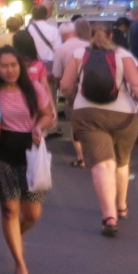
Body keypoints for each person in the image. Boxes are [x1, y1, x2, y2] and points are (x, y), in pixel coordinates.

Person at [60, 24, 138, 237]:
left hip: (88, 114)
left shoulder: (78, 54)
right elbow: (137, 85)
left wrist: (72, 98)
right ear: (112, 36)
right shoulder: (123, 55)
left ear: (90, 36)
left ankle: (109, 216)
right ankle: (121, 206)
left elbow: (65, 85)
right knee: (121, 163)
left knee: (102, 164)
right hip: (124, 115)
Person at [0, 47, 54, 274]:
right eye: (4, 66)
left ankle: (14, 235)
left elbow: (48, 114)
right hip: (2, 155)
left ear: (21, 66)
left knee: (32, 213)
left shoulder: (33, 88)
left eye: (13, 65)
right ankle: (20, 263)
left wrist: (39, 126)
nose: (9, 70)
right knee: (10, 210)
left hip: (31, 154)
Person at [56, 20, 91, 167]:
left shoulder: (61, 49)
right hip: (92, 89)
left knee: (76, 123)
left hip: (74, 91)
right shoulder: (90, 45)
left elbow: (57, 75)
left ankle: (81, 157)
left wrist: (63, 91)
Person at [26, 5, 61, 82]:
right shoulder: (53, 30)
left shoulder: (28, 29)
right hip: (50, 65)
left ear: (33, 15)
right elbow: (58, 50)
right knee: (49, 87)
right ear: (46, 15)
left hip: (33, 65)